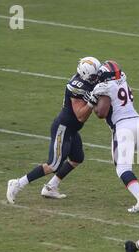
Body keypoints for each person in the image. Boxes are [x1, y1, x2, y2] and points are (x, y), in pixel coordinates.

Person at [6, 57, 101, 204]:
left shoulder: (88, 80)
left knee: (77, 158)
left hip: (72, 129)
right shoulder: (76, 86)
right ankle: (18, 183)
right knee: (53, 165)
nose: (96, 79)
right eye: (94, 76)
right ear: (84, 74)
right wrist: (91, 102)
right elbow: (81, 116)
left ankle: (51, 187)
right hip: (63, 128)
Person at [87, 60, 139, 213]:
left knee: (123, 168)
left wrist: (92, 102)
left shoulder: (105, 87)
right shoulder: (124, 83)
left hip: (123, 128)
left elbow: (102, 113)